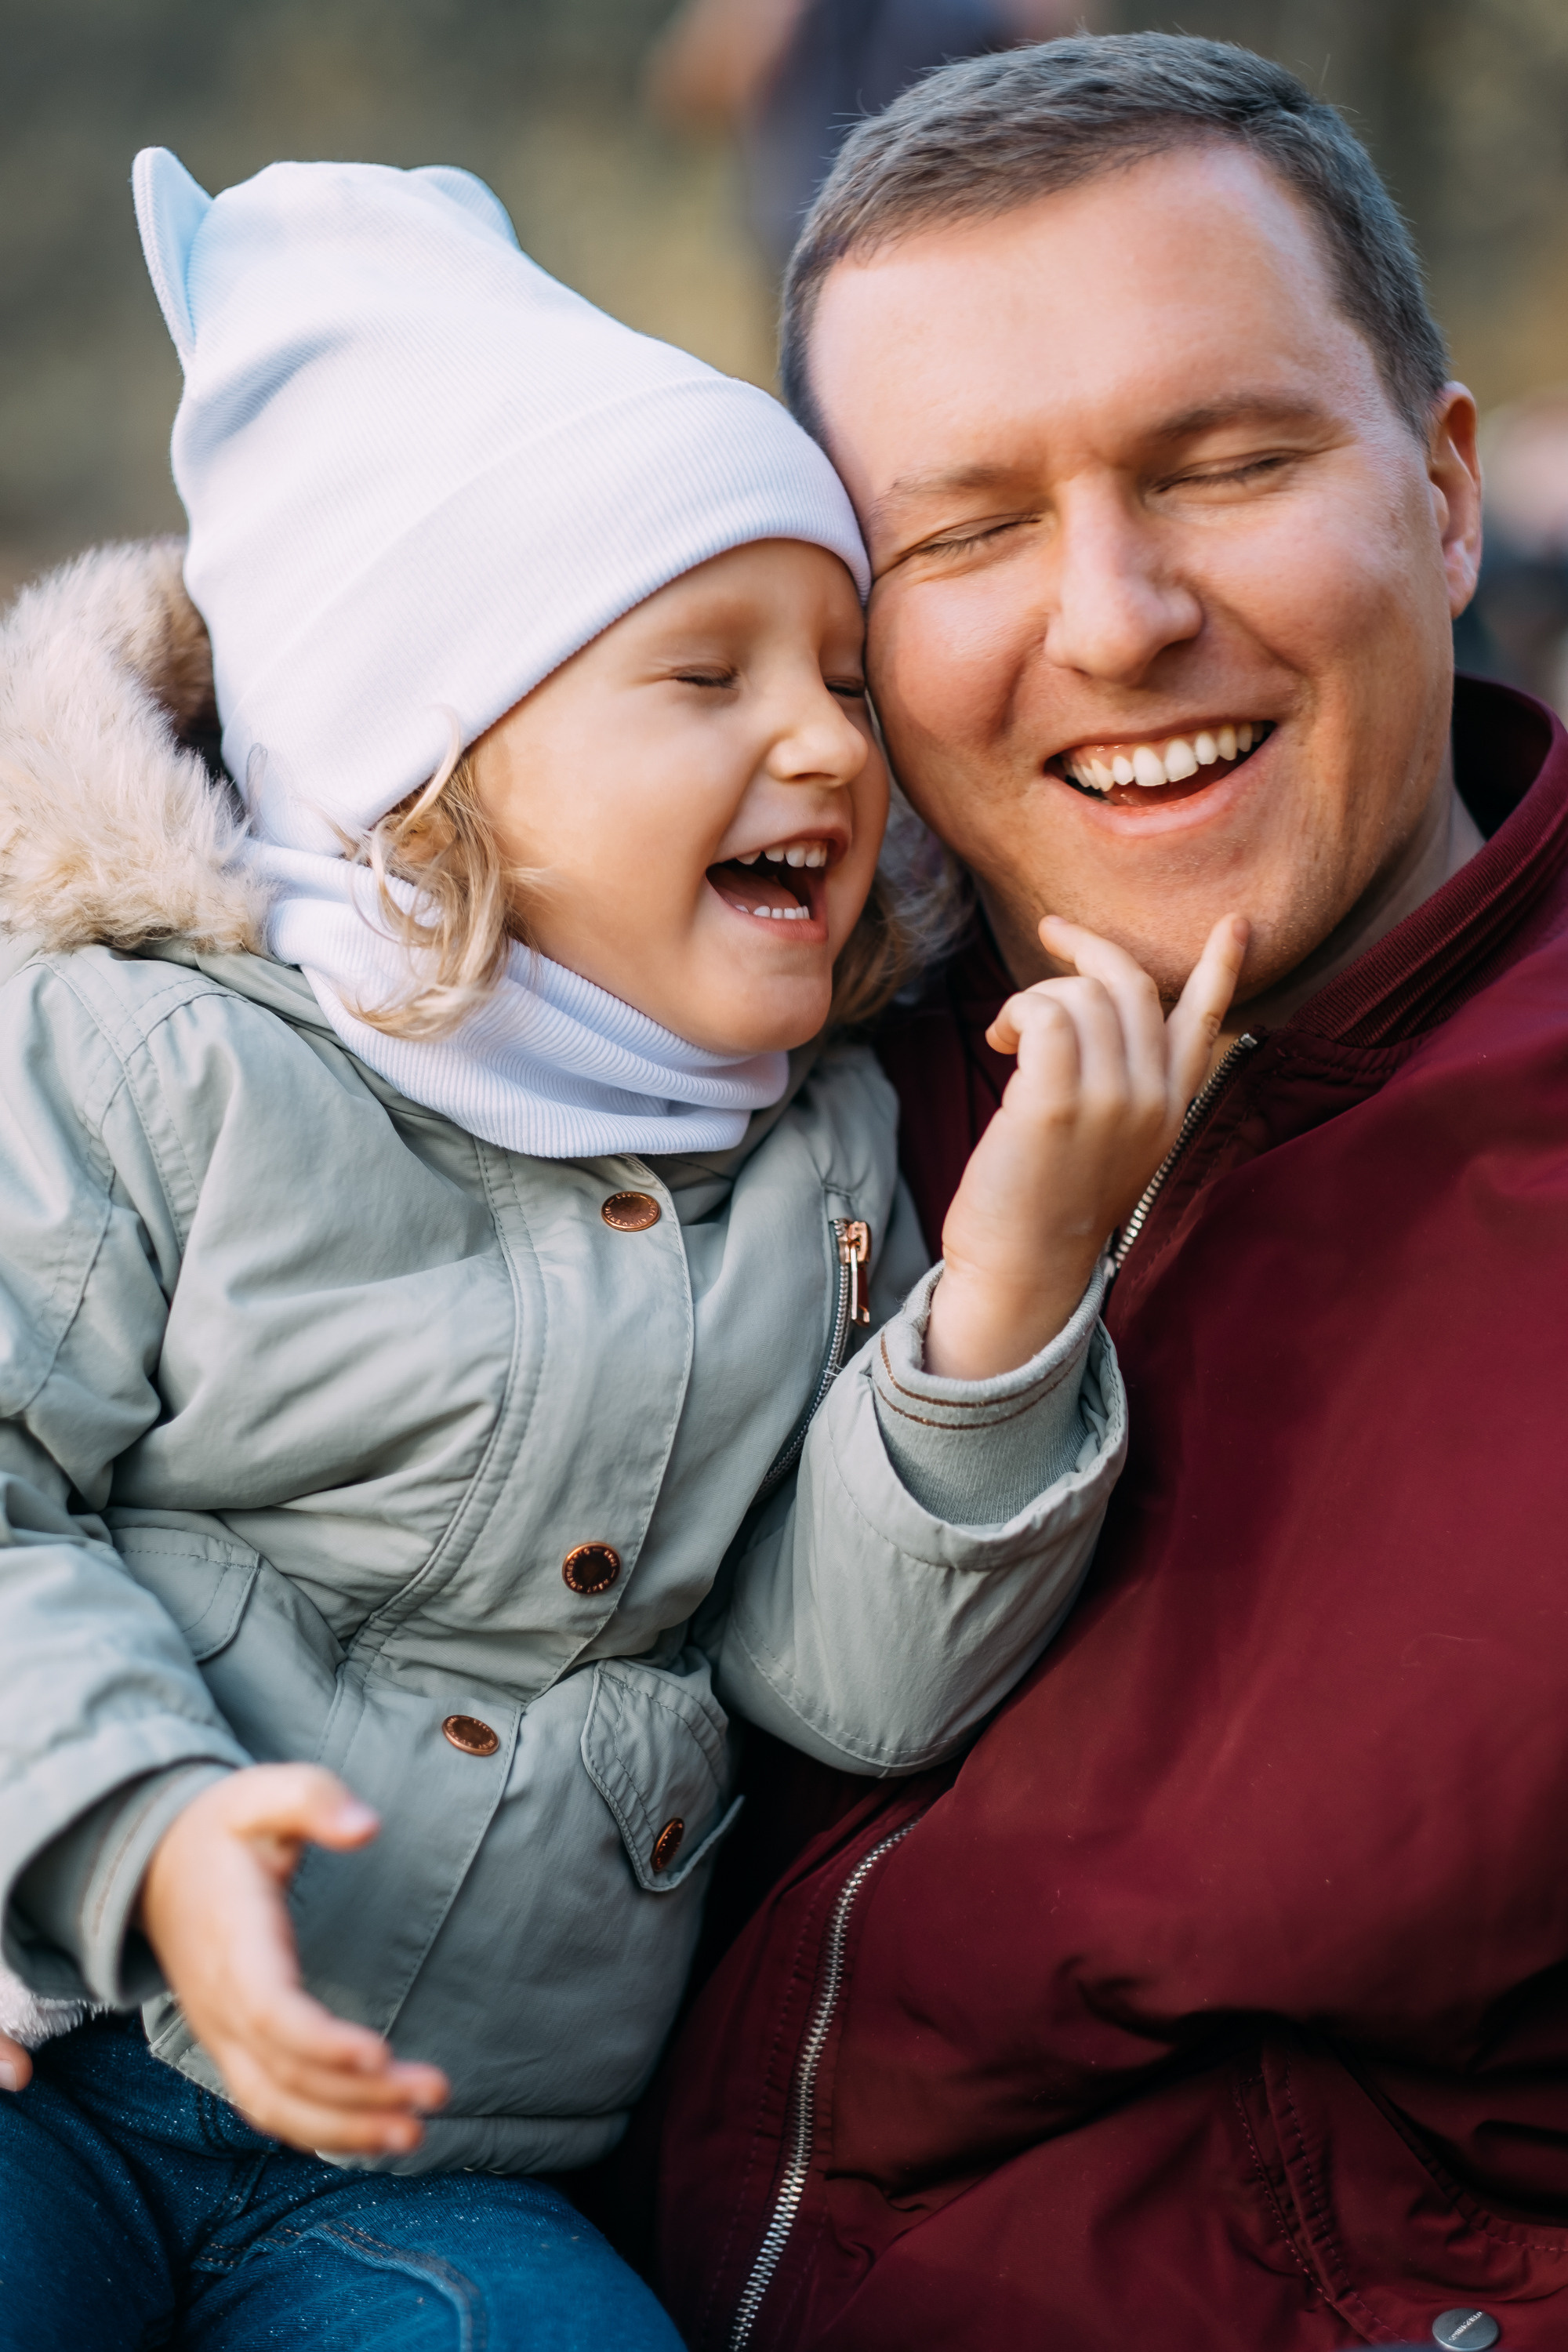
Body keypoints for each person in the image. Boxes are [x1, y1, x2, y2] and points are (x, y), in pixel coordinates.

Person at [0, 143, 1244, 2347]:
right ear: (425, 767)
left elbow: (830, 1678)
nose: (823, 739)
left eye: (848, 675)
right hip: (55, 2040)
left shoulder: (832, 1166)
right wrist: (135, 1834)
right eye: (706, 674)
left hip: (428, 2164)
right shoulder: (151, 1064)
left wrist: (1013, 1302)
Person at [647, 34, 1568, 2352]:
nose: (1119, 612)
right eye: (962, 529)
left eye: (1229, 463)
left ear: (1449, 500)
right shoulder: (715, 1063)